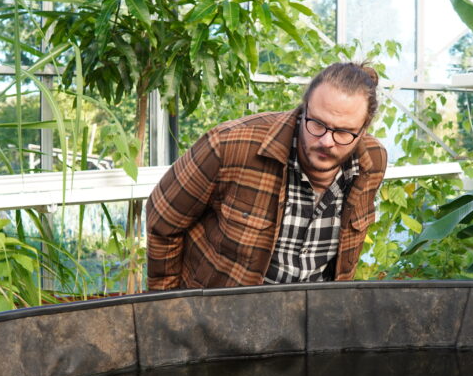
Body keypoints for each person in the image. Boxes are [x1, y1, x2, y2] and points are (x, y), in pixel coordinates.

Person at [146, 61, 387, 290]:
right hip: (222, 313)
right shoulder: (230, 146)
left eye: (344, 132)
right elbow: (162, 218)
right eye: (317, 124)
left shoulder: (372, 163)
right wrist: (170, 306)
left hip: (315, 313)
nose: (326, 141)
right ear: (304, 108)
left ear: (363, 129)